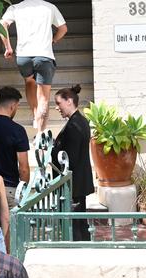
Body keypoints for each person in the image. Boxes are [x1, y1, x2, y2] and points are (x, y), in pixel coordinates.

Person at [0, 0, 67, 133]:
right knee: (43, 98)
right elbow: (63, 29)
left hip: (24, 57)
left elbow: (2, 24)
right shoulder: (49, 7)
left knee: (29, 81)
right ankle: (41, 134)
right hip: (44, 56)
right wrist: (54, 39)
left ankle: (36, 116)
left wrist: (8, 47)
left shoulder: (16, 7)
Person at [52, 85, 95, 241]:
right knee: (79, 222)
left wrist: (54, 150)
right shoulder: (80, 121)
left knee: (76, 224)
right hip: (78, 181)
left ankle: (79, 250)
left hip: (74, 183)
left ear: (69, 101)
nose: (57, 108)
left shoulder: (74, 125)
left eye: (58, 103)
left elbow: (70, 157)